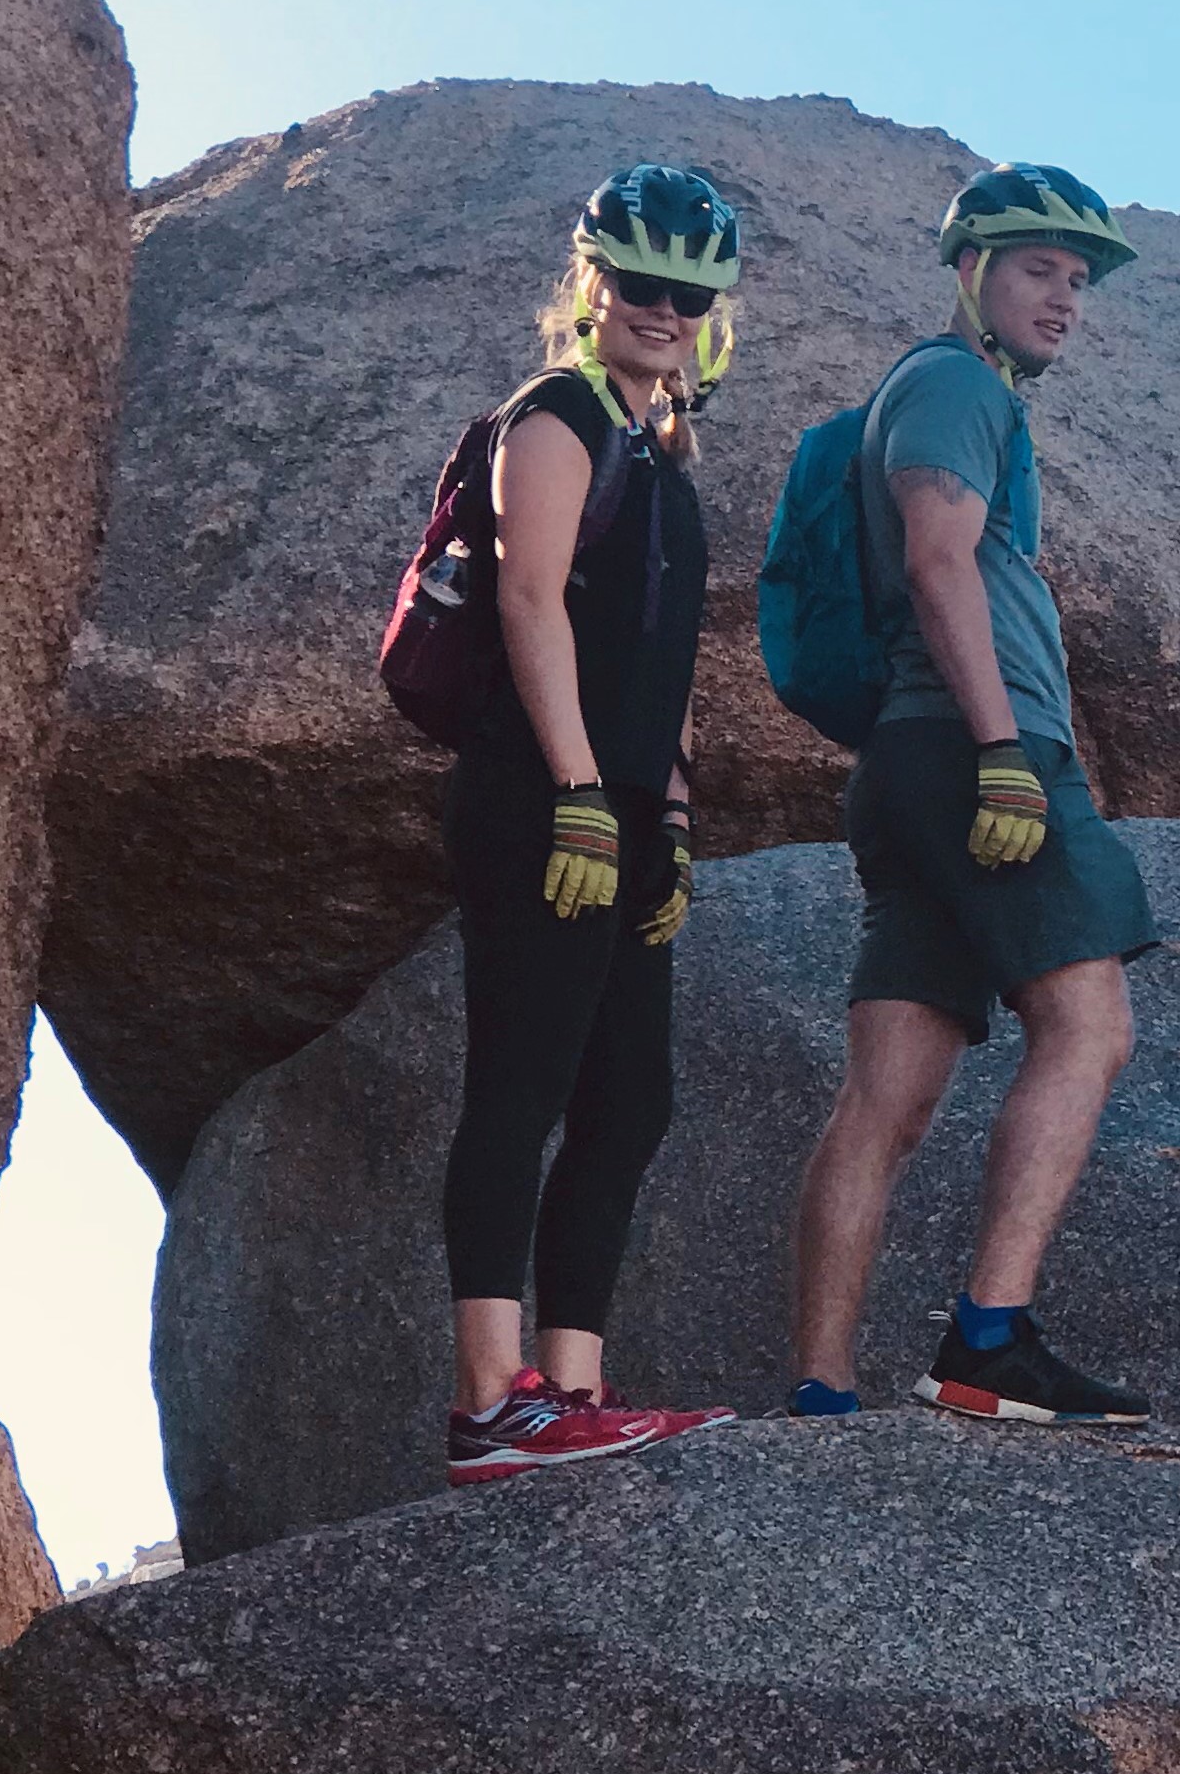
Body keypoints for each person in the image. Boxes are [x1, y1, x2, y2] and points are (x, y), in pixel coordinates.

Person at [786, 164, 1159, 1425]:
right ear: (970, 270)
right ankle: (988, 1340)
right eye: (1038, 269)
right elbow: (941, 557)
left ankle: (821, 1386)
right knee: (1089, 1023)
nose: (1065, 298)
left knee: (884, 1097)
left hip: (905, 764)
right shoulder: (951, 384)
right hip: (971, 751)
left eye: (1078, 279)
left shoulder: (959, 391)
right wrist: (1005, 750)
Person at [441, 165, 744, 1485]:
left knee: (629, 1098)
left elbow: (662, 665)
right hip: (539, 798)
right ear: (591, 285)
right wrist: (574, 790)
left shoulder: (665, 460)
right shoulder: (552, 417)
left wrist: (665, 819)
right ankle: (490, 1402)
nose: (664, 309)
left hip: (622, 817)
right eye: (640, 283)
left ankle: (572, 1392)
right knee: (524, 1080)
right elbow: (529, 605)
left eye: (691, 291)